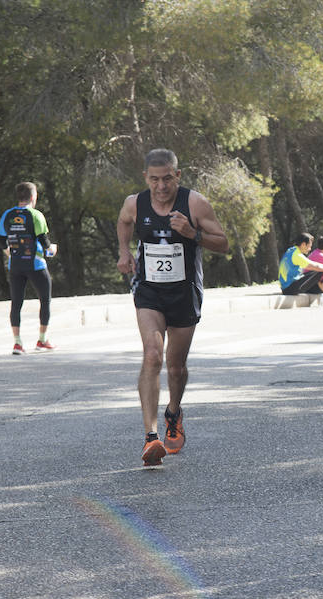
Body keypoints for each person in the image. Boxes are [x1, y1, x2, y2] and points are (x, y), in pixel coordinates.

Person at [116, 148, 230, 466]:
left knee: (176, 367)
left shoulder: (194, 203)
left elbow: (223, 243)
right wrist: (125, 252)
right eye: (155, 180)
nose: (161, 186)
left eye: (168, 178)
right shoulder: (134, 203)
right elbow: (124, 223)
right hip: (149, 291)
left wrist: (192, 233)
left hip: (184, 292)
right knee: (152, 355)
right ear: (146, 178)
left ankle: (173, 412)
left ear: (177, 175)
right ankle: (151, 439)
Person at [0, 182, 58, 355]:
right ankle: (42, 339)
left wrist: (9, 253)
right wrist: (52, 249)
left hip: (15, 265)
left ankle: (17, 343)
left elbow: (1, 239)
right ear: (33, 197)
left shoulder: (7, 215)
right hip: (36, 265)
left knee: (16, 303)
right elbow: (45, 242)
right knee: (45, 300)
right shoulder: (36, 215)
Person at [279, 233, 323, 308]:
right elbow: (316, 266)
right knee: (319, 273)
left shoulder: (291, 251)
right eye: (309, 246)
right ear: (303, 244)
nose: (310, 249)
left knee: (319, 273)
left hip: (289, 286)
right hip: (290, 288)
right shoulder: (297, 255)